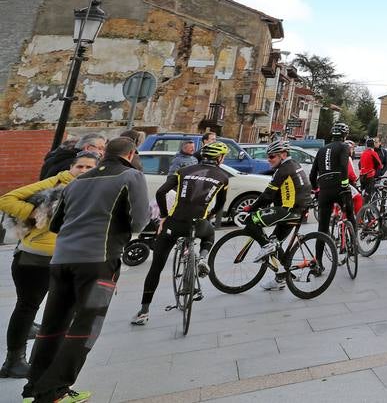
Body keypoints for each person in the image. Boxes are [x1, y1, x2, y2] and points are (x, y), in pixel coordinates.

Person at [22, 137, 149, 403]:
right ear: (131, 154)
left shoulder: (78, 180)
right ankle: (53, 391)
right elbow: (139, 221)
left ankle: (33, 386)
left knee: (53, 324)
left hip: (61, 260)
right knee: (86, 327)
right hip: (98, 262)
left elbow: (56, 224)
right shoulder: (131, 176)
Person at [1, 152, 98, 379]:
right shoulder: (56, 181)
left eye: (88, 167)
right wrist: (38, 214)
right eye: (80, 166)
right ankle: (13, 361)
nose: (83, 171)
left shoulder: (93, 188)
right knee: (27, 307)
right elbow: (6, 199)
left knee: (63, 310)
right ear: (71, 167)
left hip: (68, 258)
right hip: (35, 257)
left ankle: (49, 361)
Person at [130, 141, 231, 326]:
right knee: (208, 234)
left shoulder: (184, 171)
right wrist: (209, 215)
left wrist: (163, 216)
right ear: (219, 158)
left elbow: (161, 193)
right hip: (198, 224)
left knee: (156, 268)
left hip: (174, 224)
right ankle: (202, 257)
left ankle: (144, 311)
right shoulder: (223, 177)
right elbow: (220, 204)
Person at [244, 140, 313, 289]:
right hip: (298, 210)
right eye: (267, 156)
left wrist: (252, 207)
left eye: (272, 157)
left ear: (283, 155)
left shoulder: (283, 170)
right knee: (276, 241)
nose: (268, 160)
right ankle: (281, 277)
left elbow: (268, 194)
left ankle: (267, 246)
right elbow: (281, 191)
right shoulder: (293, 164)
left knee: (251, 221)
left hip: (289, 210)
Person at [311, 122, 356, 259]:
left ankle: (318, 262)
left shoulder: (322, 149)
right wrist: (344, 184)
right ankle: (354, 246)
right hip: (339, 188)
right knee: (350, 214)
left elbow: (312, 175)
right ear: (345, 136)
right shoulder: (344, 147)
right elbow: (343, 167)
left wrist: (316, 190)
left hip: (324, 190)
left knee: (322, 228)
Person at [39, 134, 104, 181]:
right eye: (100, 148)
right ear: (87, 148)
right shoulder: (76, 163)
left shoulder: (56, 158)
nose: (102, 153)